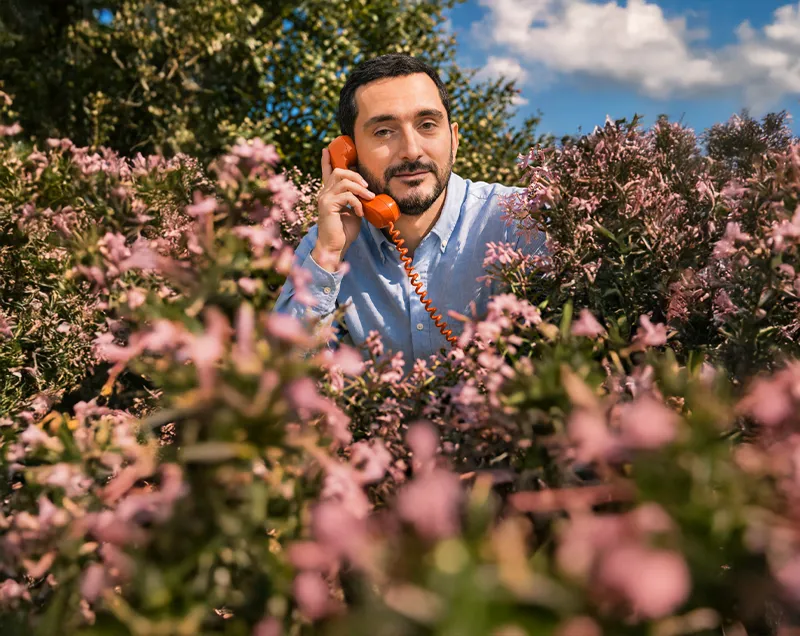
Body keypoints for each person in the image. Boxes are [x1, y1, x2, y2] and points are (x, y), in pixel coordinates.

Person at [275, 53, 546, 365]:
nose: (411, 151)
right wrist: (328, 255)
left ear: (454, 140)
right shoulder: (328, 241)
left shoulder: (517, 218)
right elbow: (287, 375)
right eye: (384, 132)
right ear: (348, 154)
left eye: (427, 125)